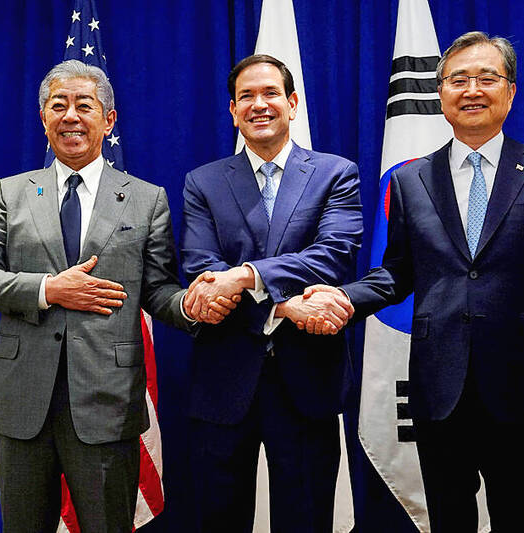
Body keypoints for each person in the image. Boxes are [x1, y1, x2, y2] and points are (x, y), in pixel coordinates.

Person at [302, 32, 524, 532]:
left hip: (522, 384)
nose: (472, 89)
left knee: (518, 517)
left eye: (486, 78)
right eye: (458, 80)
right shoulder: (411, 180)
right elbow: (396, 273)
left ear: (511, 91)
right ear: (442, 95)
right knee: (448, 518)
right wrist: (344, 297)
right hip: (439, 386)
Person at [0, 60, 232, 533]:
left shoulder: (148, 200)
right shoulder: (12, 193)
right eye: (57, 106)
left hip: (107, 400)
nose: (70, 116)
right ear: (43, 119)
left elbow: (159, 288)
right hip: (21, 400)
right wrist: (48, 289)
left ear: (109, 119)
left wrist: (191, 304)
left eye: (84, 105)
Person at [180, 54, 361, 531]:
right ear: (233, 111)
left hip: (308, 381)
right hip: (224, 380)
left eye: (270, 93)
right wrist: (282, 302)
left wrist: (243, 277)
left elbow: (333, 257)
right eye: (246, 97)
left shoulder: (335, 173)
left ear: (293, 103)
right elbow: (201, 269)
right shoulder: (203, 181)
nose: (258, 104)